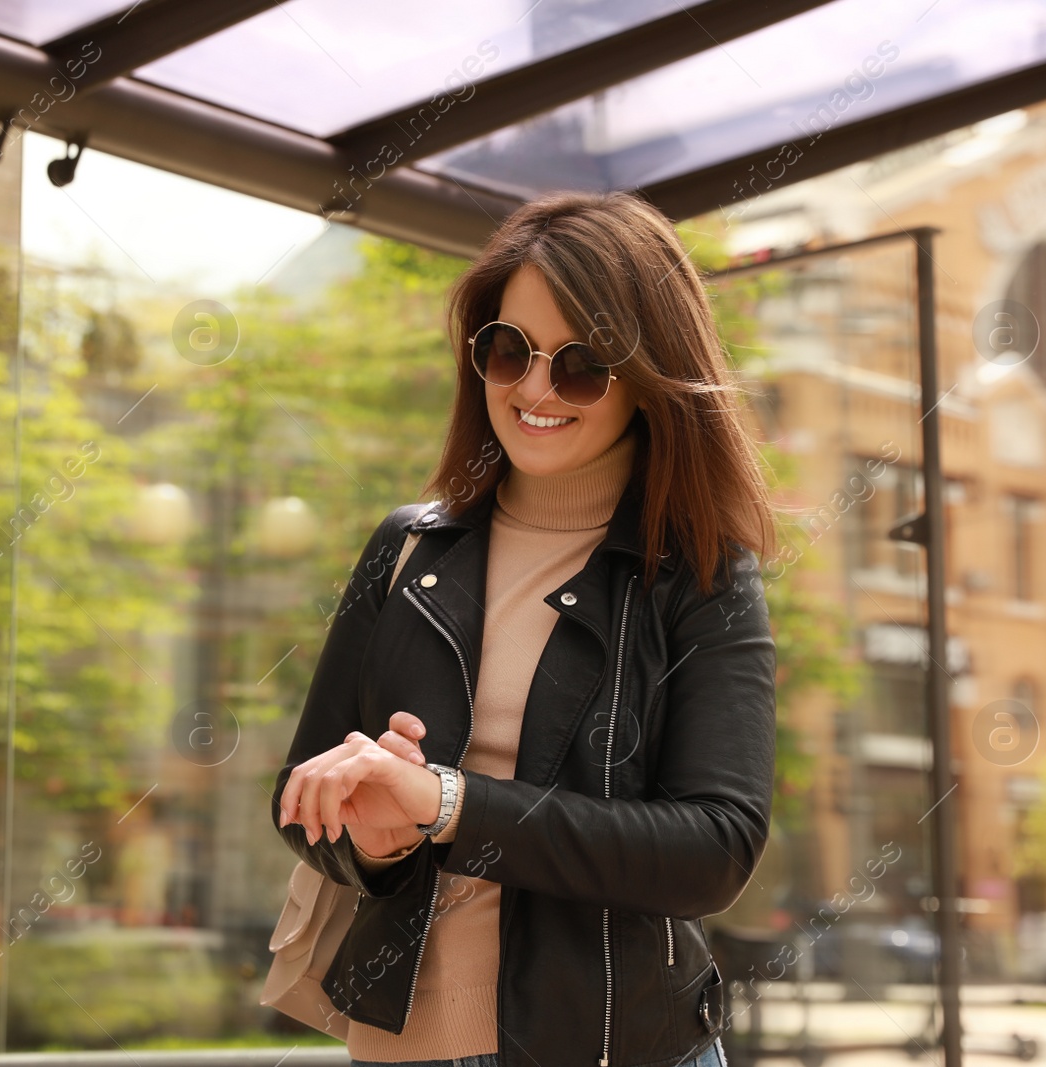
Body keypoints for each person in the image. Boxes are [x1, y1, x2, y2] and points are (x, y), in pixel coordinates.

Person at [272, 190, 777, 1067]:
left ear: (650, 372)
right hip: (405, 1045)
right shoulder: (407, 546)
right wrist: (378, 840)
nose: (535, 389)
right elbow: (301, 797)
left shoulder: (699, 572)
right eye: (509, 352)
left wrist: (450, 805)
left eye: (580, 364)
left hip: (618, 1046)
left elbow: (714, 848)